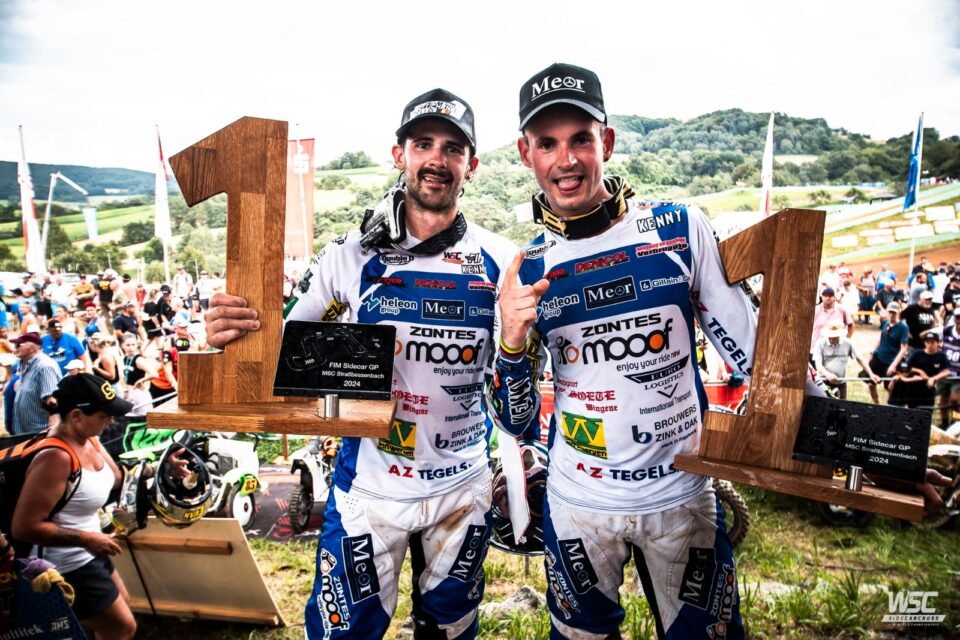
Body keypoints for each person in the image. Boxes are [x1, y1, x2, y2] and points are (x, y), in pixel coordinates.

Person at [488, 63, 948, 640]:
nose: (567, 160)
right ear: (525, 153)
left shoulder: (678, 229)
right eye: (548, 144)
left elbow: (762, 359)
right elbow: (514, 421)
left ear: (607, 141)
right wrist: (511, 343)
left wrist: (876, 453)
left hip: (682, 493)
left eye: (581, 138)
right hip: (579, 503)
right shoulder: (528, 268)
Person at [206, 88, 518, 639]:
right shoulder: (348, 255)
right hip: (370, 487)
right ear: (399, 155)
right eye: (423, 144)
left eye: (453, 148)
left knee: (450, 632)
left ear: (471, 165)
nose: (437, 159)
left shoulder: (501, 258)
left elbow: (517, 372)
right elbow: (282, 350)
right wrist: (228, 332)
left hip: (461, 485)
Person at [11, 374, 136, 639]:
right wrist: (86, 538)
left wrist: (161, 468)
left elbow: (116, 479)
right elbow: (24, 527)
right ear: (77, 415)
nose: (111, 421)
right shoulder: (55, 458)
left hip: (91, 550)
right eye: (104, 415)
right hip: (65, 563)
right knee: (122, 627)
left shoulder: (90, 438)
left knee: (119, 610)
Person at [11, 331, 62, 435]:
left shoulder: (45, 366)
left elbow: (52, 401)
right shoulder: (25, 363)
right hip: (26, 431)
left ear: (31, 348)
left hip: (41, 433)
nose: (15, 348)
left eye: (18, 345)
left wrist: (51, 434)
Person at [812, 323, 879, 399]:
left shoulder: (847, 343)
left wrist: (871, 374)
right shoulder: (820, 344)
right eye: (830, 336)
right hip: (823, 381)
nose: (832, 339)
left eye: (835, 337)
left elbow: (859, 359)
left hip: (840, 382)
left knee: (842, 405)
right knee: (823, 404)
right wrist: (828, 374)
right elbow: (818, 364)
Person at [864, 303, 910, 404]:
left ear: (898, 313)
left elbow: (904, 349)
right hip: (879, 357)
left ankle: (886, 407)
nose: (891, 315)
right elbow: (880, 338)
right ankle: (877, 404)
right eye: (890, 312)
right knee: (871, 384)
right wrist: (872, 352)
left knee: (890, 387)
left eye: (894, 313)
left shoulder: (903, 328)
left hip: (891, 360)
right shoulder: (885, 323)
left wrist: (893, 365)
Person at [810, 287, 854, 352]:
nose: (827, 298)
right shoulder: (815, 310)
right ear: (822, 297)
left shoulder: (841, 309)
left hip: (836, 349)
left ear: (834, 298)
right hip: (817, 348)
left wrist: (847, 340)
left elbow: (851, 325)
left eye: (830, 296)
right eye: (825, 296)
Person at [901, 290, 939, 355]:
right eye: (926, 299)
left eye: (930, 300)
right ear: (921, 299)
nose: (929, 301)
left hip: (925, 342)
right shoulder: (912, 308)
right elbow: (900, 318)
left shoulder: (930, 309)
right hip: (913, 342)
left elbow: (933, 321)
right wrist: (906, 331)